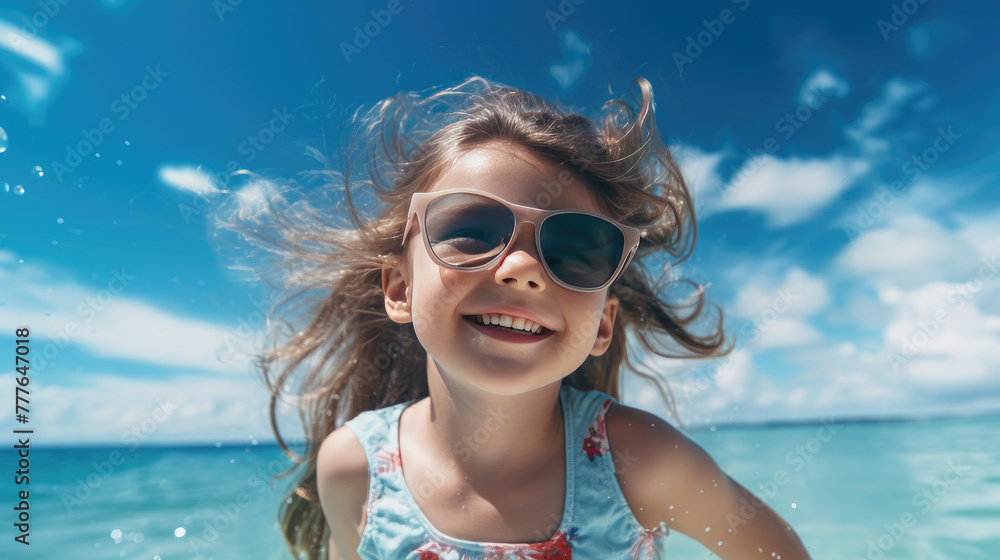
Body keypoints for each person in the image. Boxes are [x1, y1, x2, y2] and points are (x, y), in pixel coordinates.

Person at [240, 76, 812, 559]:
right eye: (470, 231)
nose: (520, 267)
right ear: (398, 287)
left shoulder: (640, 461)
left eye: (575, 248)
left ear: (602, 326)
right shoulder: (354, 466)